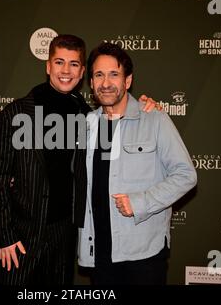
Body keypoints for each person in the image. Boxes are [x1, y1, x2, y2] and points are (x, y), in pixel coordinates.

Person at [0, 34, 158, 285]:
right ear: (48, 66)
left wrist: (145, 106)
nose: (65, 70)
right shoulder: (15, 113)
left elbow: (122, 114)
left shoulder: (89, 117)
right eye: (59, 62)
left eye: (74, 64)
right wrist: (5, 236)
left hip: (66, 236)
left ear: (81, 74)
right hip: (21, 238)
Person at [75, 42, 197, 285]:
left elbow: (186, 175)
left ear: (127, 81)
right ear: (91, 82)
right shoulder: (85, 124)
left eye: (114, 74)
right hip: (98, 254)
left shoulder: (155, 119)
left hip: (143, 256)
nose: (106, 83)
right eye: (99, 75)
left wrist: (140, 202)